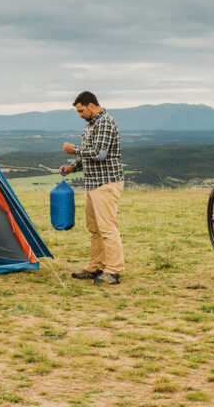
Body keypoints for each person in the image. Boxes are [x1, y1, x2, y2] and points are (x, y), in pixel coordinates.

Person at [59, 91, 124, 284]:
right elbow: (88, 155)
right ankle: (96, 266)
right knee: (94, 228)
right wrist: (73, 167)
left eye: (81, 111)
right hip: (93, 183)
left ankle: (113, 270)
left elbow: (99, 153)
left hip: (106, 183)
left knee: (107, 228)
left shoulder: (104, 122)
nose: (79, 115)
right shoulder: (91, 124)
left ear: (91, 106)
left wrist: (74, 150)